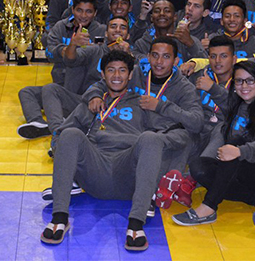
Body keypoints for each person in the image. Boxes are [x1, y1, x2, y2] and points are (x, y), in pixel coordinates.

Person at [42, 50, 171, 252]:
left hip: (128, 173)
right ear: (102, 75)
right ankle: (60, 217)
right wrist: (65, 158)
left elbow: (171, 133)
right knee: (70, 134)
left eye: (122, 71)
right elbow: (61, 132)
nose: (117, 76)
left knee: (152, 138)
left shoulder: (143, 102)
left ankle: (136, 222)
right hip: (96, 171)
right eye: (111, 70)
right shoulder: (93, 102)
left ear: (130, 75)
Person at [171, 61, 255, 225]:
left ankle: (209, 207)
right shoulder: (239, 104)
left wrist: (240, 152)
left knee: (235, 143)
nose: (244, 86)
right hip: (241, 169)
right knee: (199, 167)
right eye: (239, 81)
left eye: (250, 80)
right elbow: (224, 98)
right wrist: (210, 85)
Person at [17, 0, 102, 137]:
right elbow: (50, 53)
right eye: (79, 10)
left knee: (51, 91)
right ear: (73, 10)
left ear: (95, 13)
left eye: (89, 11)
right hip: (60, 85)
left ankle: (58, 127)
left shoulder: (100, 31)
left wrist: (71, 51)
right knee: (26, 92)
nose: (83, 15)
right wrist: (67, 49)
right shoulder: (60, 27)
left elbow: (92, 58)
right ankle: (39, 123)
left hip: (83, 92)